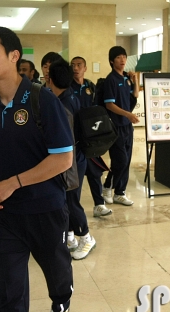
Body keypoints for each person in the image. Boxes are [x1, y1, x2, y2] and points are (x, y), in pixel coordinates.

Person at [0, 26, 74, 312]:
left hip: (46, 209)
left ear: (13, 56)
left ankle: (61, 304)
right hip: (5, 216)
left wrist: (13, 182)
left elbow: (63, 159)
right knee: (9, 291)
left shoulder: (41, 100)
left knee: (57, 273)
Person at [48, 59, 97, 260]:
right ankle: (70, 236)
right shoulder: (68, 97)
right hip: (74, 159)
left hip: (72, 162)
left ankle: (86, 237)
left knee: (71, 200)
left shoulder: (64, 103)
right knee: (66, 200)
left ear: (49, 80)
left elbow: (65, 138)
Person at [70, 56, 113, 217]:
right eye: (73, 65)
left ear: (85, 68)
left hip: (90, 136)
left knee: (95, 172)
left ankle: (99, 205)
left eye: (79, 65)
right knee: (77, 176)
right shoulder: (68, 87)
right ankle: (74, 209)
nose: (76, 68)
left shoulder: (90, 86)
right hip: (75, 136)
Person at [101, 46, 139, 206]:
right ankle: (107, 186)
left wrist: (135, 81)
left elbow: (135, 95)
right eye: (118, 57)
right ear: (112, 61)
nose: (122, 60)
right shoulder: (111, 80)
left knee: (127, 160)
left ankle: (120, 192)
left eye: (124, 56)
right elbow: (109, 105)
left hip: (127, 127)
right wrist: (128, 114)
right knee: (120, 160)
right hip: (115, 126)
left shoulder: (125, 78)